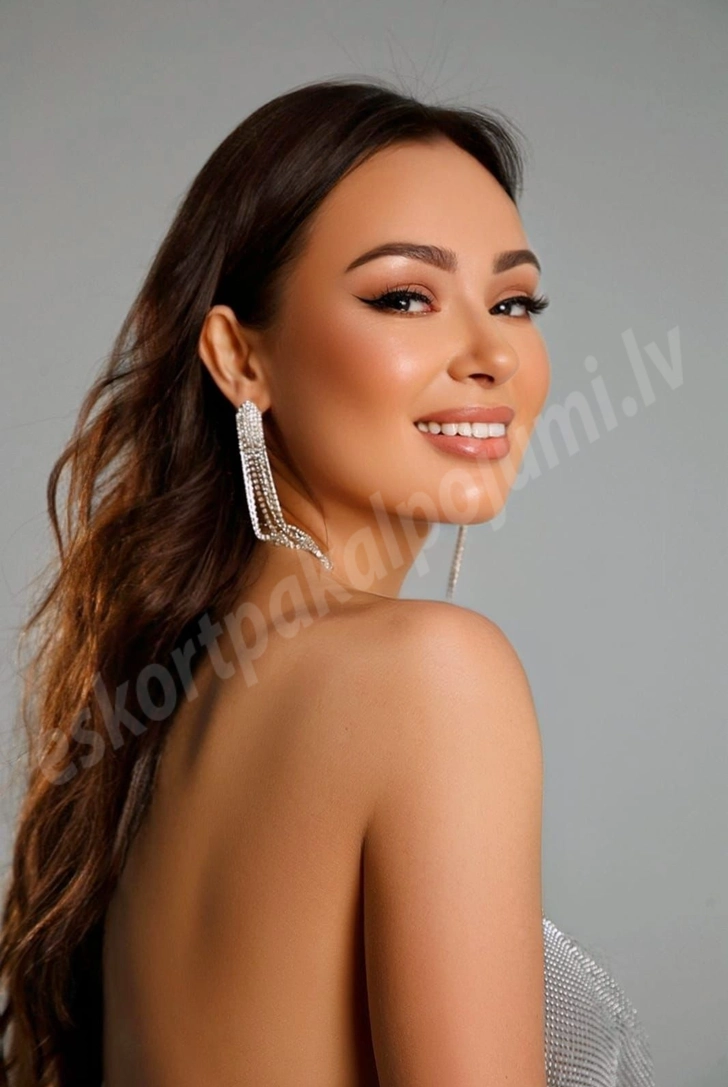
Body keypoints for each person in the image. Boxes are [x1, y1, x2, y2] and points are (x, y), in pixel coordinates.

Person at [0, 77, 655, 1086]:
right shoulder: (431, 676)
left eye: (513, 302)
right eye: (404, 297)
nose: (492, 353)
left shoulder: (157, 712)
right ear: (239, 359)